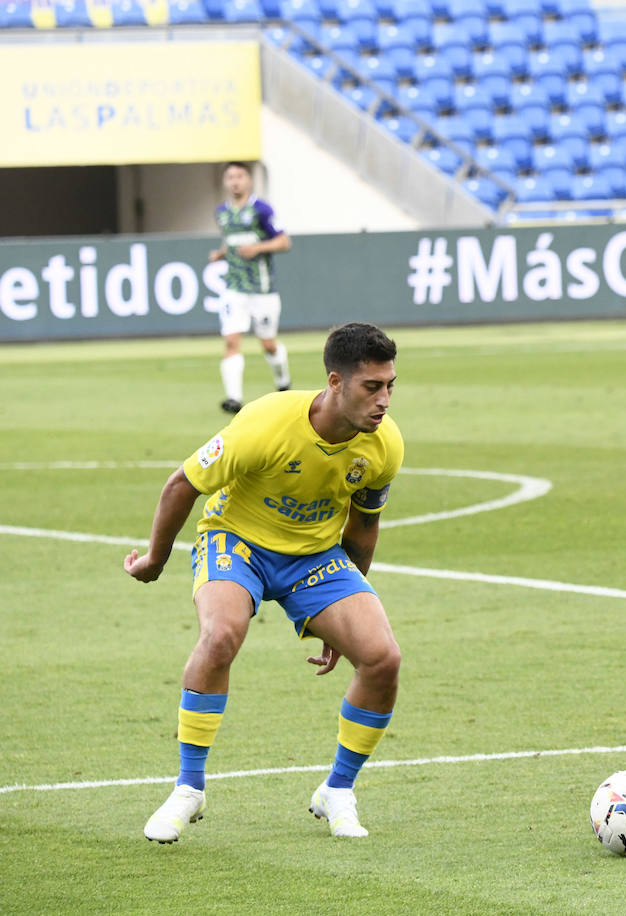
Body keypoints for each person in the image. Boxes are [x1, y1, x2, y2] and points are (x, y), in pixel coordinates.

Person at [127, 322, 405, 842]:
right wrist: (155, 560)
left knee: (381, 656)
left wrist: (342, 615)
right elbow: (181, 484)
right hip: (237, 542)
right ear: (336, 382)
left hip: (314, 558)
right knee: (221, 635)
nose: (384, 400)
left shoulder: (384, 445)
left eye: (391, 385)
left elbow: (363, 527)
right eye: (373, 387)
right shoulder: (265, 423)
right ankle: (189, 788)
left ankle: (337, 791)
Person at [210, 161, 293, 414]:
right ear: (225, 182)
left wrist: (257, 248)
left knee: (268, 344)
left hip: (262, 289)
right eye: (230, 177)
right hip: (234, 288)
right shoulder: (222, 213)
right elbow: (232, 243)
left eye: (240, 176)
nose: (235, 181)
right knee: (232, 342)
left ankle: (283, 383)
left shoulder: (261, 210)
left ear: (249, 180)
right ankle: (233, 398)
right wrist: (223, 254)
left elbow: (284, 242)